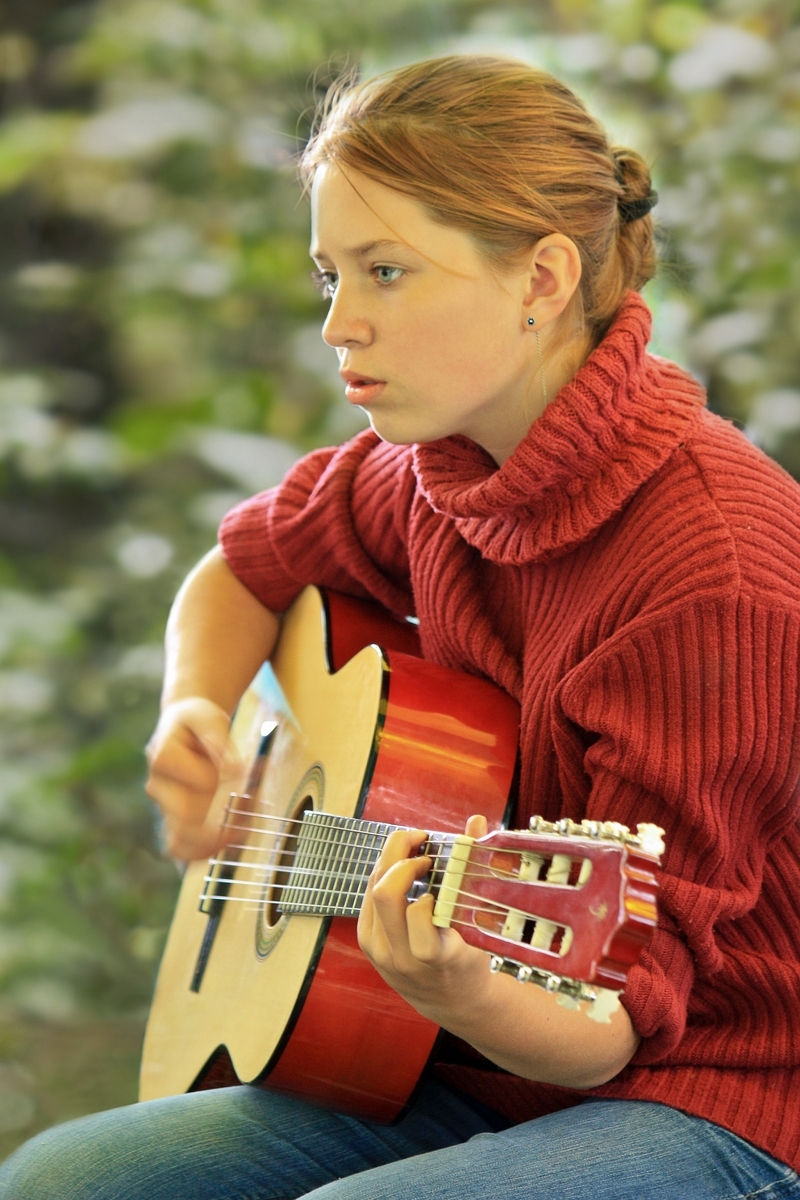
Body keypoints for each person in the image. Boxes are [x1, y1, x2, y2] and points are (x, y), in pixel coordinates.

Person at [2, 52, 800, 1200]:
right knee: (63, 1180)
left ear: (540, 278)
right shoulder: (441, 469)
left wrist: (458, 987)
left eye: (385, 272)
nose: (338, 325)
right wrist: (194, 711)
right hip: (464, 1058)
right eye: (329, 276)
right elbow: (240, 570)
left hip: (716, 1086)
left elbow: (613, 1019)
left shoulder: (712, 576)